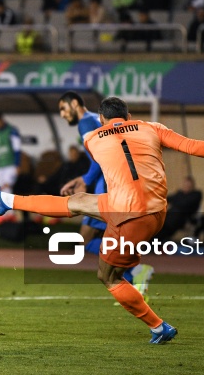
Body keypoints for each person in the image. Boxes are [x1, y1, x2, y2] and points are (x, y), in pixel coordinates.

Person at [0, 96, 204, 344]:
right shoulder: (152, 127)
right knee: (78, 203)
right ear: (129, 115)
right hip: (154, 209)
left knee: (108, 275)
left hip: (129, 215)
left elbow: (100, 158)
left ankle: (158, 326)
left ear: (102, 119)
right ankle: (6, 200)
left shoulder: (93, 139)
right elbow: (193, 146)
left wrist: (87, 170)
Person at [57, 92, 154, 301]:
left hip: (107, 186)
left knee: (86, 239)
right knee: (108, 239)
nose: (62, 114)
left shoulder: (86, 123)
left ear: (75, 103)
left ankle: (135, 272)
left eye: (63, 109)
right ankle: (134, 274)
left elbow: (101, 158)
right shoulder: (93, 120)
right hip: (112, 184)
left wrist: (86, 180)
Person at [0, 111, 21, 225]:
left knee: (7, 187)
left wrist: (17, 164)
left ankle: (10, 215)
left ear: (1, 120)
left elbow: (17, 148)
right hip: (0, 166)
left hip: (10, 164)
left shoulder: (12, 131)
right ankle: (2, 213)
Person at [154, 176, 202, 242]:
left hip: (185, 217)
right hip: (172, 216)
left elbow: (186, 204)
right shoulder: (180, 193)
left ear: (192, 186)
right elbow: (169, 198)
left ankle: (156, 241)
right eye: (186, 184)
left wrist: (176, 201)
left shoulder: (197, 194)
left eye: (189, 185)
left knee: (169, 224)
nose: (187, 186)